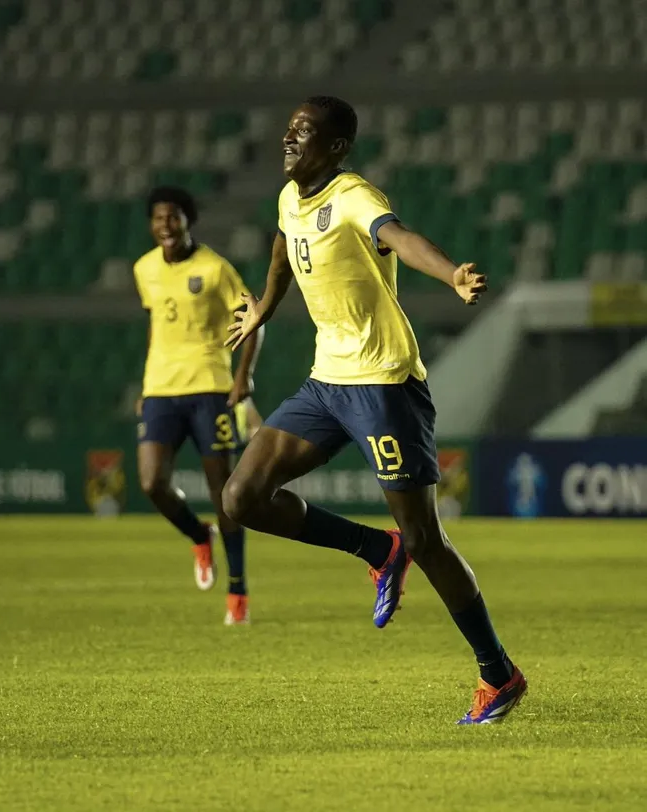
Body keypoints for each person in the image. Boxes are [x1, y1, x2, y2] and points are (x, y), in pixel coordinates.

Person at [222, 96, 526, 722]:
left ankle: (499, 673)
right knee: (241, 497)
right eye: (287, 130)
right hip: (326, 382)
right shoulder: (287, 198)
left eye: (302, 134)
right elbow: (284, 249)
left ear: (334, 148)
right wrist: (264, 309)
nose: (288, 140)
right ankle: (376, 551)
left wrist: (451, 276)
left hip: (384, 383)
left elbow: (401, 238)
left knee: (427, 537)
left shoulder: (354, 195)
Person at [134, 186, 263, 625]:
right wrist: (146, 382)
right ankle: (197, 534)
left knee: (225, 494)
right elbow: (156, 324)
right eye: (158, 219)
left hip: (210, 388)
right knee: (152, 482)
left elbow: (254, 318)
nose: (165, 226)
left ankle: (238, 589)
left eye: (173, 217)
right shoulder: (144, 269)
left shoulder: (214, 269)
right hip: (160, 390)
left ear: (187, 220)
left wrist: (243, 377)